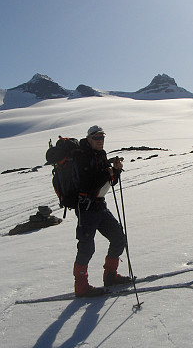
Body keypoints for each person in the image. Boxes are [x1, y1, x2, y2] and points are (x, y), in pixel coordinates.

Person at [72, 125, 132, 297]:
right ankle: (81, 287)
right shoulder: (81, 157)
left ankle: (110, 276)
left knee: (118, 238)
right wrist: (108, 173)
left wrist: (116, 172)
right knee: (86, 248)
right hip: (86, 208)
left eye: (102, 137)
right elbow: (87, 184)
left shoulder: (101, 155)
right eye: (96, 138)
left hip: (100, 206)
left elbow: (108, 182)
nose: (100, 140)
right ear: (89, 139)